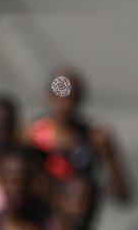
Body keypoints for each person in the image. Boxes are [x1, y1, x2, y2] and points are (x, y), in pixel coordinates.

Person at [27, 70, 132, 204]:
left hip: (79, 216)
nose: (64, 105)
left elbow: (122, 192)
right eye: (59, 97)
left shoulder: (94, 137)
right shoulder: (30, 134)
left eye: (70, 98)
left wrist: (108, 155)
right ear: (50, 97)